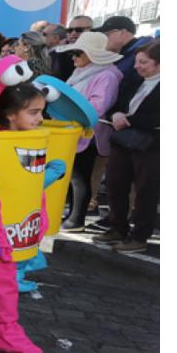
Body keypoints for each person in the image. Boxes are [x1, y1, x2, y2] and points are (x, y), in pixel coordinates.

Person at [0, 82, 57, 353]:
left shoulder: (32, 139)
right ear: (10, 115)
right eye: (33, 112)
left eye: (41, 112)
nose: (39, 119)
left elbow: (29, 187)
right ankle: (7, 331)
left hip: (12, 224)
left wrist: (38, 220)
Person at [92, 41, 160, 253]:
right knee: (115, 185)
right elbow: (117, 105)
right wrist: (116, 115)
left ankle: (139, 235)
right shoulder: (136, 82)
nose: (137, 66)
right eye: (137, 61)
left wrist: (130, 119)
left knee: (145, 191)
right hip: (123, 142)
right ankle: (117, 227)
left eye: (143, 62)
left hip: (150, 146)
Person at [52, 31, 122, 231]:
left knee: (80, 176)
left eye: (77, 53)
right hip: (75, 130)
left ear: (92, 55)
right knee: (74, 175)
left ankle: (77, 219)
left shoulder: (106, 75)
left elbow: (97, 107)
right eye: (72, 53)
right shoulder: (84, 71)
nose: (73, 57)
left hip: (90, 133)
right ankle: (72, 216)